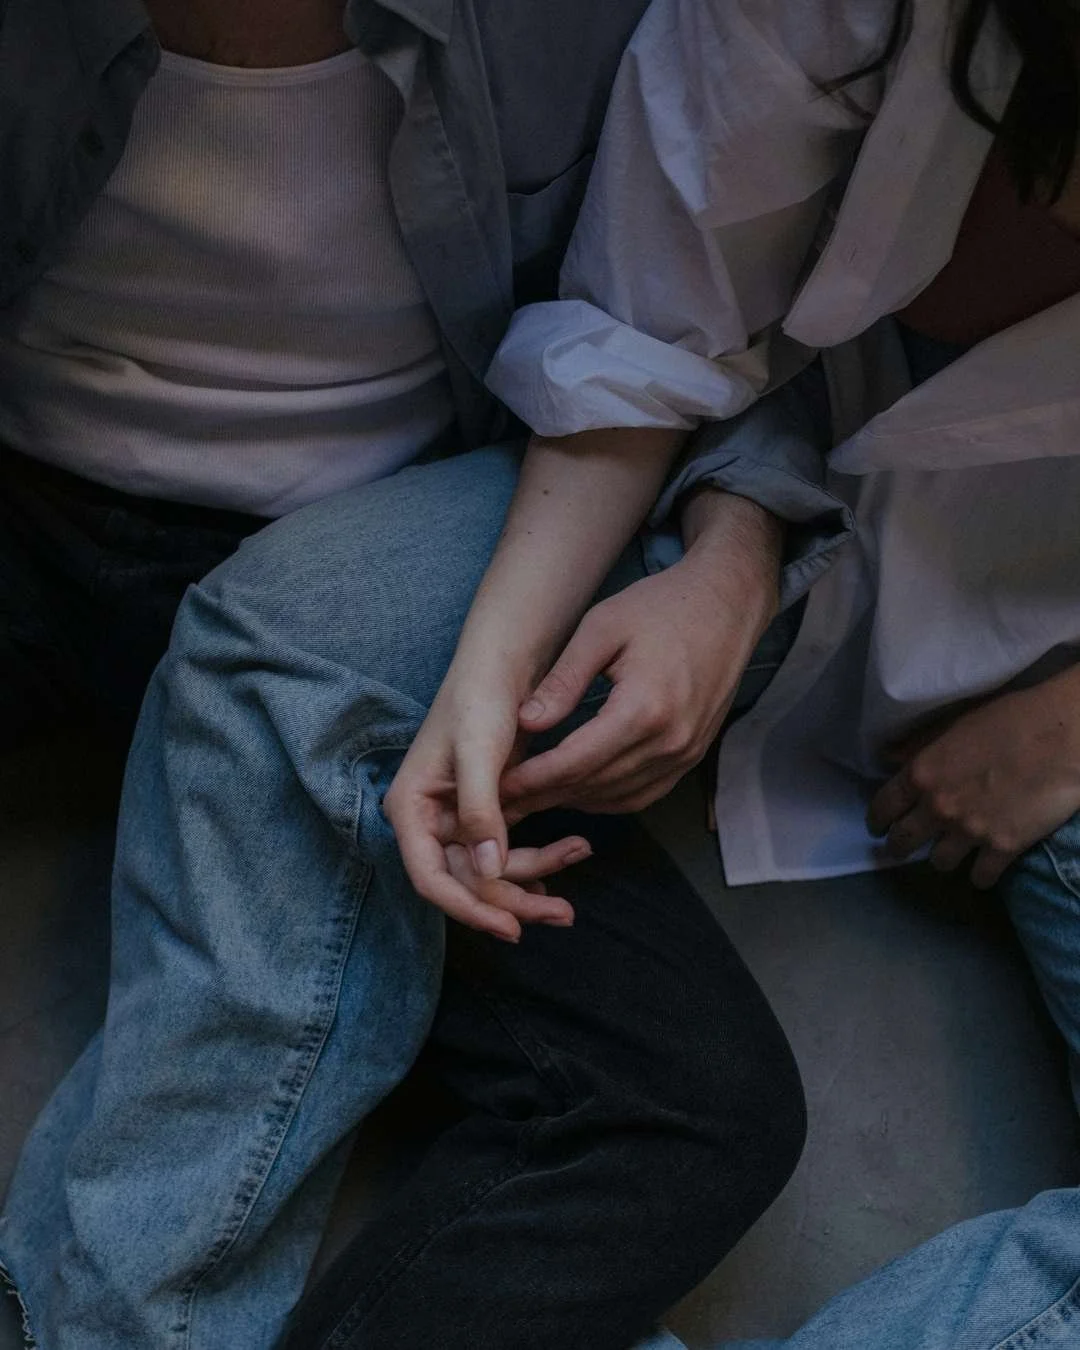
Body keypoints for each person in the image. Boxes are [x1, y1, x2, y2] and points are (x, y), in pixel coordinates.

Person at [0, 1, 819, 1347]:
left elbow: (743, 285)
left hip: (413, 549)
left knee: (691, 1104)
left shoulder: (627, 24)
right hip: (31, 489)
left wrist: (737, 541)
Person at [375, 0, 1080, 1345]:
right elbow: (654, 318)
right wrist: (501, 658)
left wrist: (1071, 725)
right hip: (743, 482)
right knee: (305, 635)